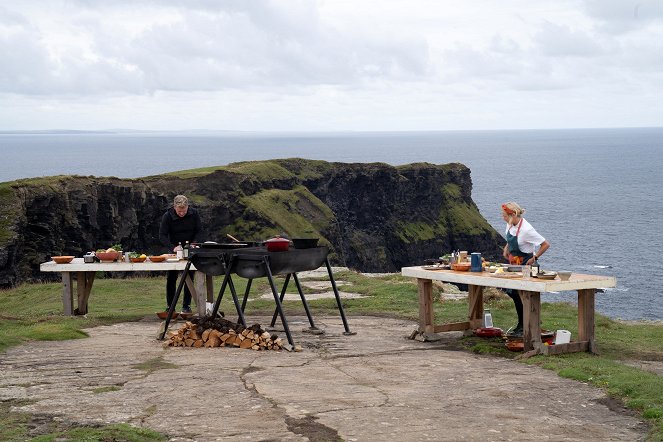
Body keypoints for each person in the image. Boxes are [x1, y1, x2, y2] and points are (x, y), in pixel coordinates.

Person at [501, 201, 550, 336]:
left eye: (504, 215)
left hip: (526, 266)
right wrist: (507, 248)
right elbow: (509, 239)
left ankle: (528, 326)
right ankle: (521, 324)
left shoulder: (527, 229)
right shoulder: (510, 225)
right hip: (514, 265)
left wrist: (535, 258)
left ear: (512, 215)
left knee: (524, 295)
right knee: (513, 293)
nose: (502, 217)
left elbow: (545, 244)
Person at [159, 195, 204, 313]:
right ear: (174, 207)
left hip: (190, 247)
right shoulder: (167, 216)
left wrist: (194, 244)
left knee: (189, 276)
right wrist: (173, 247)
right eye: (179, 211)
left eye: (184, 211)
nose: (182, 213)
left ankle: (186, 305)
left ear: (188, 207)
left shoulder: (194, 214)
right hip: (175, 248)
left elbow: (199, 230)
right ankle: (171, 306)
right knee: (171, 277)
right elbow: (162, 235)